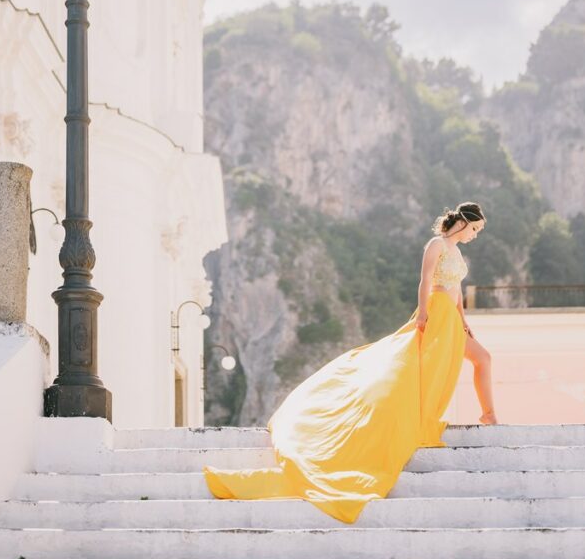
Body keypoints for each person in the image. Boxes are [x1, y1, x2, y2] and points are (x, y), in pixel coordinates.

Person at [203, 201, 495, 524]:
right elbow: (427, 281)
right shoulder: (437, 244)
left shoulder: (457, 252)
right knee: (426, 368)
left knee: (481, 359)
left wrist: (464, 320)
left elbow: (457, 290)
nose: (475, 235)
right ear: (464, 222)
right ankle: (476, 415)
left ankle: (487, 414)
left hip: (452, 318)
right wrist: (423, 313)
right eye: (475, 229)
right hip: (436, 314)